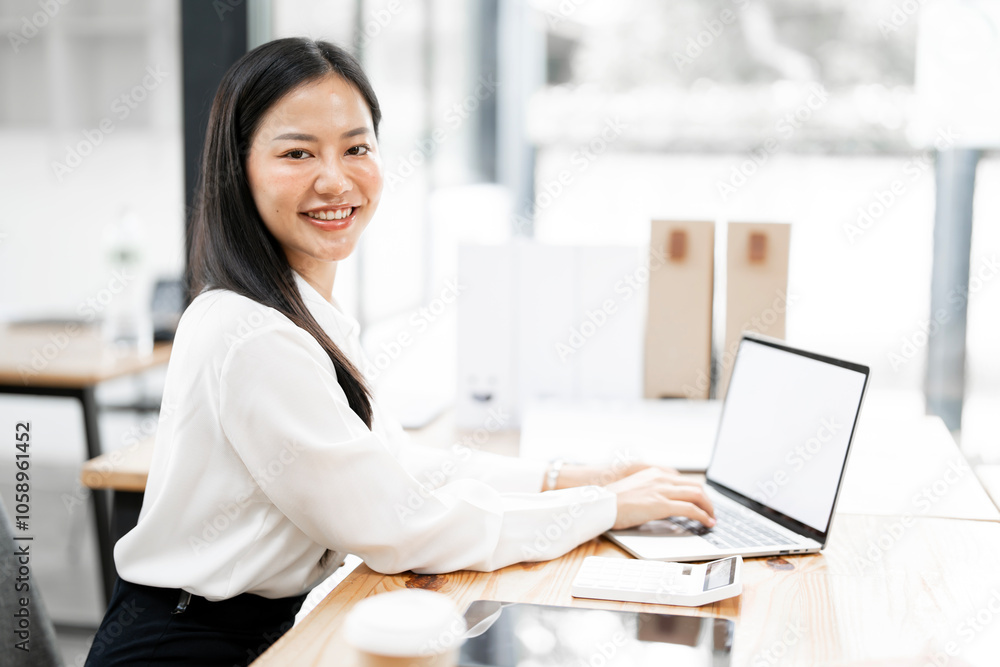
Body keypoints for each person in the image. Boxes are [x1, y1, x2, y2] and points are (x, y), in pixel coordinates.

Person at [84, 37, 715, 666]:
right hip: (181, 649)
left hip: (247, 634)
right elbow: (400, 528)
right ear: (237, 168)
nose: (335, 179)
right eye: (297, 153)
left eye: (356, 148)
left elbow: (396, 465)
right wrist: (601, 508)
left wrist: (569, 478)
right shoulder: (251, 335)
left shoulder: (300, 312)